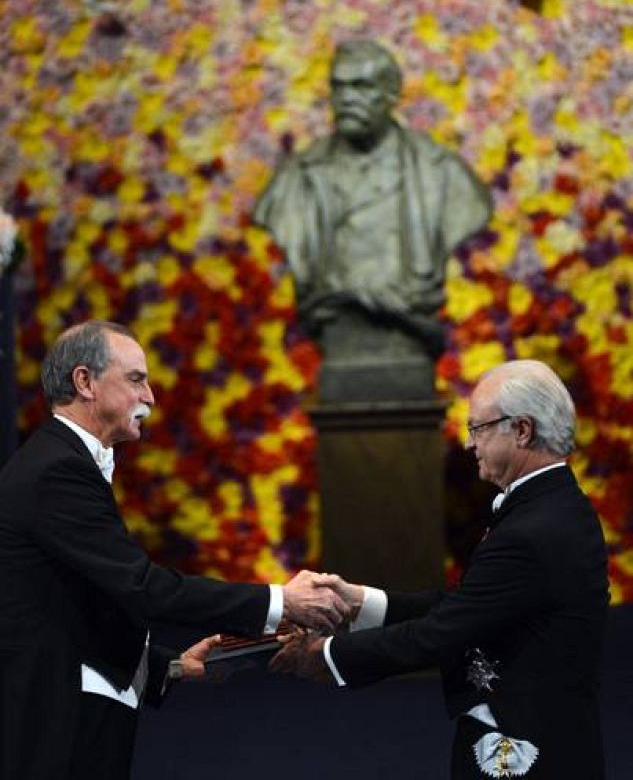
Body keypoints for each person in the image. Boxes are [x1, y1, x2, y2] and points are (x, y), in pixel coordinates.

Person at [0, 320, 349, 780]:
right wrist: (281, 601)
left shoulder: (61, 460)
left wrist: (167, 664)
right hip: (59, 726)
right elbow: (141, 587)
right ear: (84, 382)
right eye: (136, 379)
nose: (150, 398)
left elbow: (79, 598)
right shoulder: (54, 470)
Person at [271, 360, 609, 779]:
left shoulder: (534, 528)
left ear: (522, 430)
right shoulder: (553, 505)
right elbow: (473, 604)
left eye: (479, 428)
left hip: (528, 751)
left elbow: (443, 632)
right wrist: (359, 603)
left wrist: (325, 655)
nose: (469, 444)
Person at [254, 39, 492, 400]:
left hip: (409, 353)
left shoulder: (441, 174)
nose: (347, 98)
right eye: (339, 87)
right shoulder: (298, 178)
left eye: (361, 87)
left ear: (392, 93)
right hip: (338, 345)